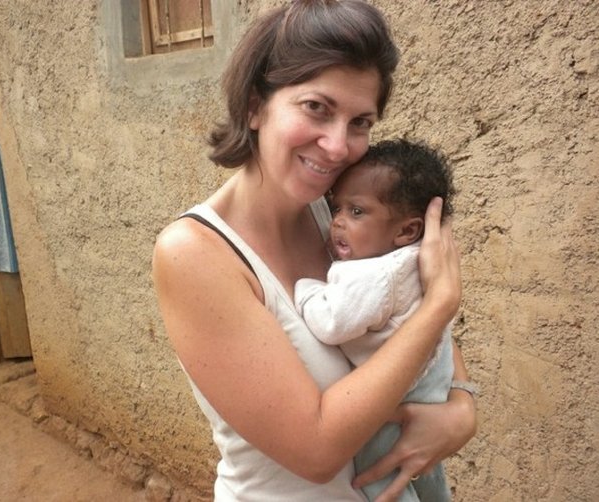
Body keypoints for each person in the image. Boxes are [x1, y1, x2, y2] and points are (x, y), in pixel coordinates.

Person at [152, 1, 477, 501]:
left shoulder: (342, 213)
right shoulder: (195, 254)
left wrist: (461, 408)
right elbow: (317, 450)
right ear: (255, 106)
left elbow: (406, 318)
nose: (337, 146)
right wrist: (441, 306)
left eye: (360, 122)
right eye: (316, 108)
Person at [295, 139, 463, 501]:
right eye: (336, 207)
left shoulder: (371, 275)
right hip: (436, 374)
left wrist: (306, 289)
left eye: (356, 212)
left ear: (406, 230)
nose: (338, 221)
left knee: (381, 471)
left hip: (405, 388)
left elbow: (331, 322)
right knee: (426, 473)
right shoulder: (413, 256)